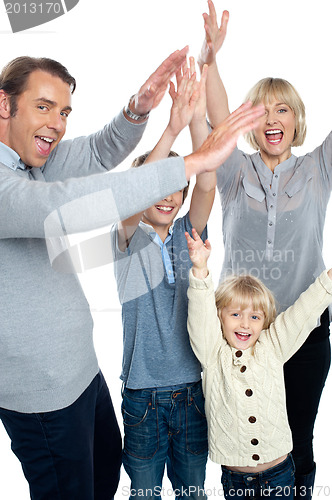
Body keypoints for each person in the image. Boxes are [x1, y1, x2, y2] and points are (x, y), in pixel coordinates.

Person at [0, 51, 264, 500]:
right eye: (43, 106)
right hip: (52, 396)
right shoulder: (122, 234)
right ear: (4, 105)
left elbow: (102, 153)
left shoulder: (34, 164)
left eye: (64, 111)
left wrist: (150, 111)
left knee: (118, 481)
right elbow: (72, 204)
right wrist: (191, 159)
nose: (57, 123)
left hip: (91, 379)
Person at [197, 1, 331, 496]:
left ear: (297, 120)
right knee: (248, 446)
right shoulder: (234, 172)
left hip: (305, 334)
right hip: (241, 336)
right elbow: (217, 117)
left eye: (283, 109)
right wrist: (210, 60)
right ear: (248, 122)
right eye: (261, 110)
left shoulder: (319, 168)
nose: (273, 119)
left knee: (299, 437)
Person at [111, 59, 212, 499]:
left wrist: (193, 124)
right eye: (159, 185)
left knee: (193, 491)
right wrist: (169, 129)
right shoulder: (127, 238)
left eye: (175, 186)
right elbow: (136, 195)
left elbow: (207, 182)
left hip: (191, 390)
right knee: (145, 494)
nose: (168, 196)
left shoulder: (191, 232)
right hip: (142, 398)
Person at [185, 228, 332, 500]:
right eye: (236, 314)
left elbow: (304, 311)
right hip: (235, 481)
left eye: (255, 317)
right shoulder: (213, 353)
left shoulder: (272, 346)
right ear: (220, 317)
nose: (244, 323)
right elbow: (200, 315)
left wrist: (328, 281)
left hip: (279, 475)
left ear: (265, 322)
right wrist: (200, 271)